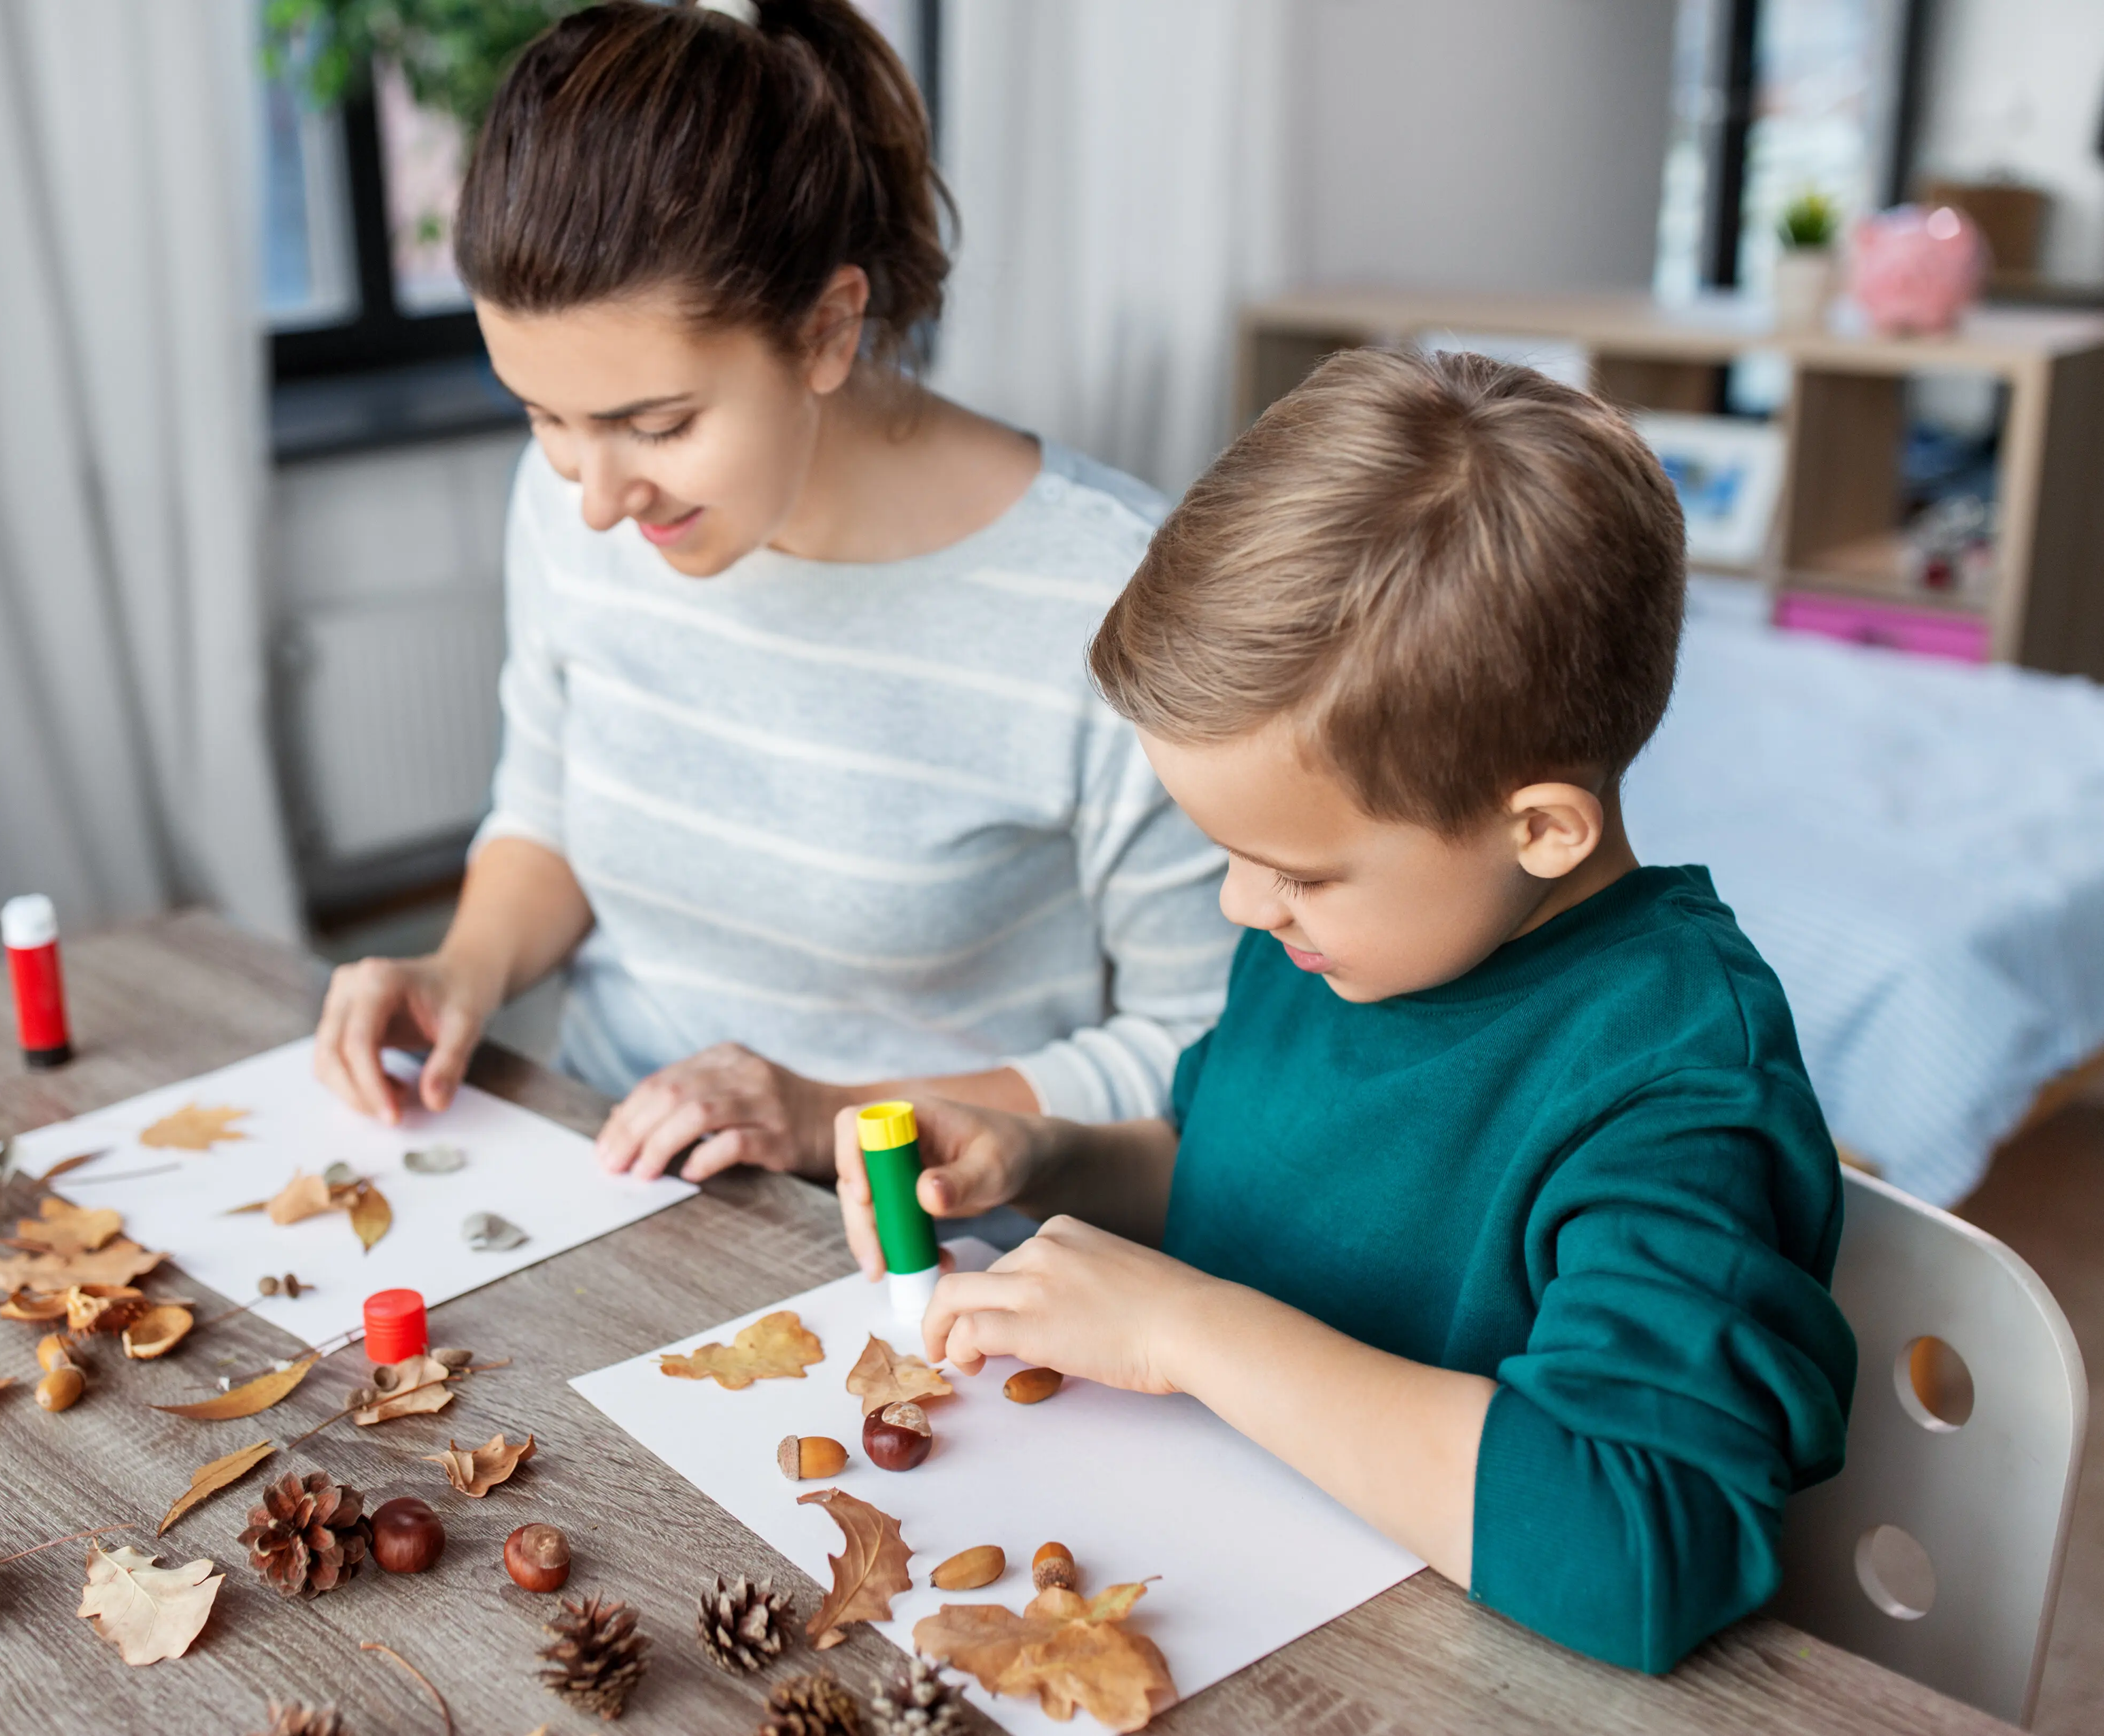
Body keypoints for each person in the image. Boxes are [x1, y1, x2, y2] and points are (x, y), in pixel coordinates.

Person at [837, 349, 1858, 1672]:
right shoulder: (1342, 940)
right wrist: (1050, 1161)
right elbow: (1235, 1176)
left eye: (1295, 867)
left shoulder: (1671, 1080)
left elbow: (1639, 1548)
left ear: (1537, 827)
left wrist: (1183, 1330)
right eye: (1228, 848)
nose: (1236, 906)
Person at [312, 0, 1232, 1182]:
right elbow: (544, 812)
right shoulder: (566, 508)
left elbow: (1198, 1051)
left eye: (655, 424)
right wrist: (458, 971)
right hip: (611, 1176)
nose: (594, 498)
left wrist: (833, 1115)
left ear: (827, 330)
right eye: (543, 417)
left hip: (933, 1255)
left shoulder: (1109, 595)